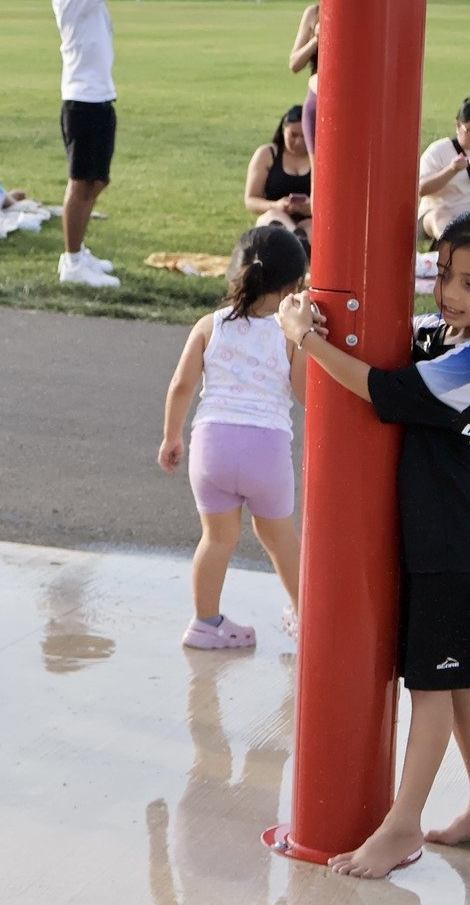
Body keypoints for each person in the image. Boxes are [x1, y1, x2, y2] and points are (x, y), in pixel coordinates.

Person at [276, 215, 470, 878]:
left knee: (434, 688)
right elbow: (394, 353)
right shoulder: (446, 337)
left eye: (469, 283)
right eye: (444, 274)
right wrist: (318, 335)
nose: (451, 293)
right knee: (461, 685)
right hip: (442, 543)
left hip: (455, 552)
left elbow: (380, 389)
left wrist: (305, 337)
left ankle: (401, 823)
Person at [158, 226, 307, 651]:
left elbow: (181, 384)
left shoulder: (209, 325)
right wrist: (309, 337)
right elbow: (304, 394)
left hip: (212, 447)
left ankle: (205, 623)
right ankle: (305, 616)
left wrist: (172, 436)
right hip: (267, 450)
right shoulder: (289, 334)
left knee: (217, 538)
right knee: (279, 538)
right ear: (293, 286)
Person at [53, 0, 139, 287]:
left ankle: (78, 250)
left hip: (97, 97)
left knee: (97, 180)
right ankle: (71, 261)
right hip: (83, 100)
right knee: (80, 182)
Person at [244, 105, 312, 239]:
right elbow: (250, 200)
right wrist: (276, 205)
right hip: (275, 216)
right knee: (273, 220)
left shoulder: (321, 159)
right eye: (293, 135)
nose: (299, 141)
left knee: (314, 230)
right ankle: (295, 241)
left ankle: (298, 243)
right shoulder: (267, 154)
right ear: (283, 130)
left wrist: (311, 206)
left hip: (310, 221)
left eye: (304, 136)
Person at [418, 100, 470, 242]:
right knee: (439, 217)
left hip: (469, 215)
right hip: (440, 213)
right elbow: (421, 189)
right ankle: (453, 250)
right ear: (458, 125)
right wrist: (451, 170)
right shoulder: (439, 150)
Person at [290, 2, 320, 154]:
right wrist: (315, 40)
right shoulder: (314, 13)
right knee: (319, 173)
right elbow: (294, 64)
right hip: (317, 101)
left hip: (357, 104)